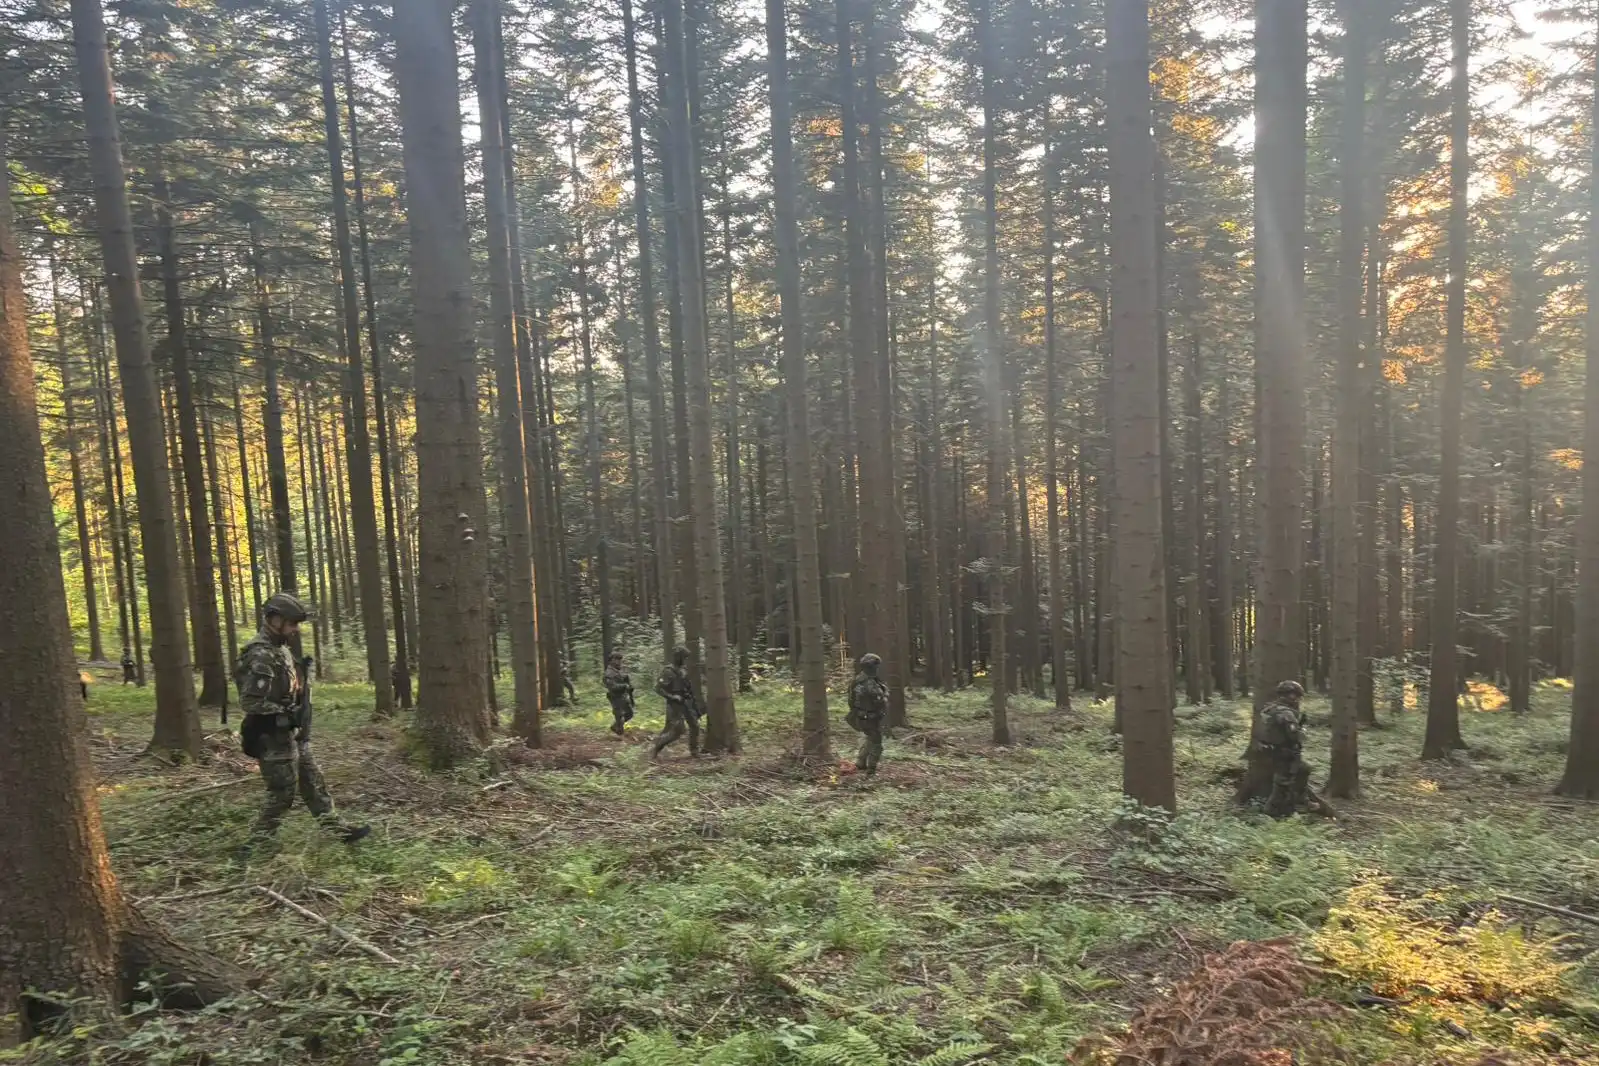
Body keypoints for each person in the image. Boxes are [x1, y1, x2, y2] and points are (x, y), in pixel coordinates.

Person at [235, 593, 368, 853]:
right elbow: (251, 702)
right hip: (271, 735)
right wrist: (284, 714)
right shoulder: (261, 654)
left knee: (313, 782)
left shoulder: (280, 651)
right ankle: (254, 846)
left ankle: (338, 831)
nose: (296, 629)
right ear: (274, 620)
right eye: (292, 623)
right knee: (282, 793)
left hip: (292, 732)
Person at [1260, 679, 1333, 818]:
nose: (1297, 699)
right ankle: (1274, 811)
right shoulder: (1286, 713)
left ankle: (1302, 801)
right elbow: (1295, 736)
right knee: (1283, 784)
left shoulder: (1271, 709)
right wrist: (1302, 729)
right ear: (1290, 695)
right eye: (1296, 696)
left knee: (1303, 770)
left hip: (1275, 751)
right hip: (1285, 753)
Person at [651, 646, 701, 758]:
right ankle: (657, 747)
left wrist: (694, 706)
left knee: (695, 725)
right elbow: (658, 688)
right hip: (674, 705)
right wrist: (672, 696)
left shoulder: (683, 670)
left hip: (686, 702)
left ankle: (694, 751)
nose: (685, 660)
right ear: (678, 657)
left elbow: (689, 689)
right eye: (684, 657)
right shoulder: (668, 671)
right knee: (678, 730)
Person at [847, 653, 889, 777]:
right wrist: (885, 695)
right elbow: (879, 701)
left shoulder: (857, 680)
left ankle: (860, 762)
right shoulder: (870, 683)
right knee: (876, 743)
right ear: (873, 667)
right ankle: (871, 770)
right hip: (871, 718)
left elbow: (850, 699)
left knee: (869, 738)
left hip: (859, 716)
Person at [603, 651, 635, 736]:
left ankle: (615, 727)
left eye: (620, 659)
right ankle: (619, 735)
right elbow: (612, 687)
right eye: (616, 659)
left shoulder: (619, 670)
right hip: (615, 697)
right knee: (619, 716)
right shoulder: (609, 673)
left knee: (629, 714)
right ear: (611, 660)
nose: (619, 661)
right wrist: (624, 686)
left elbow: (625, 680)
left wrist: (629, 687)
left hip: (623, 696)